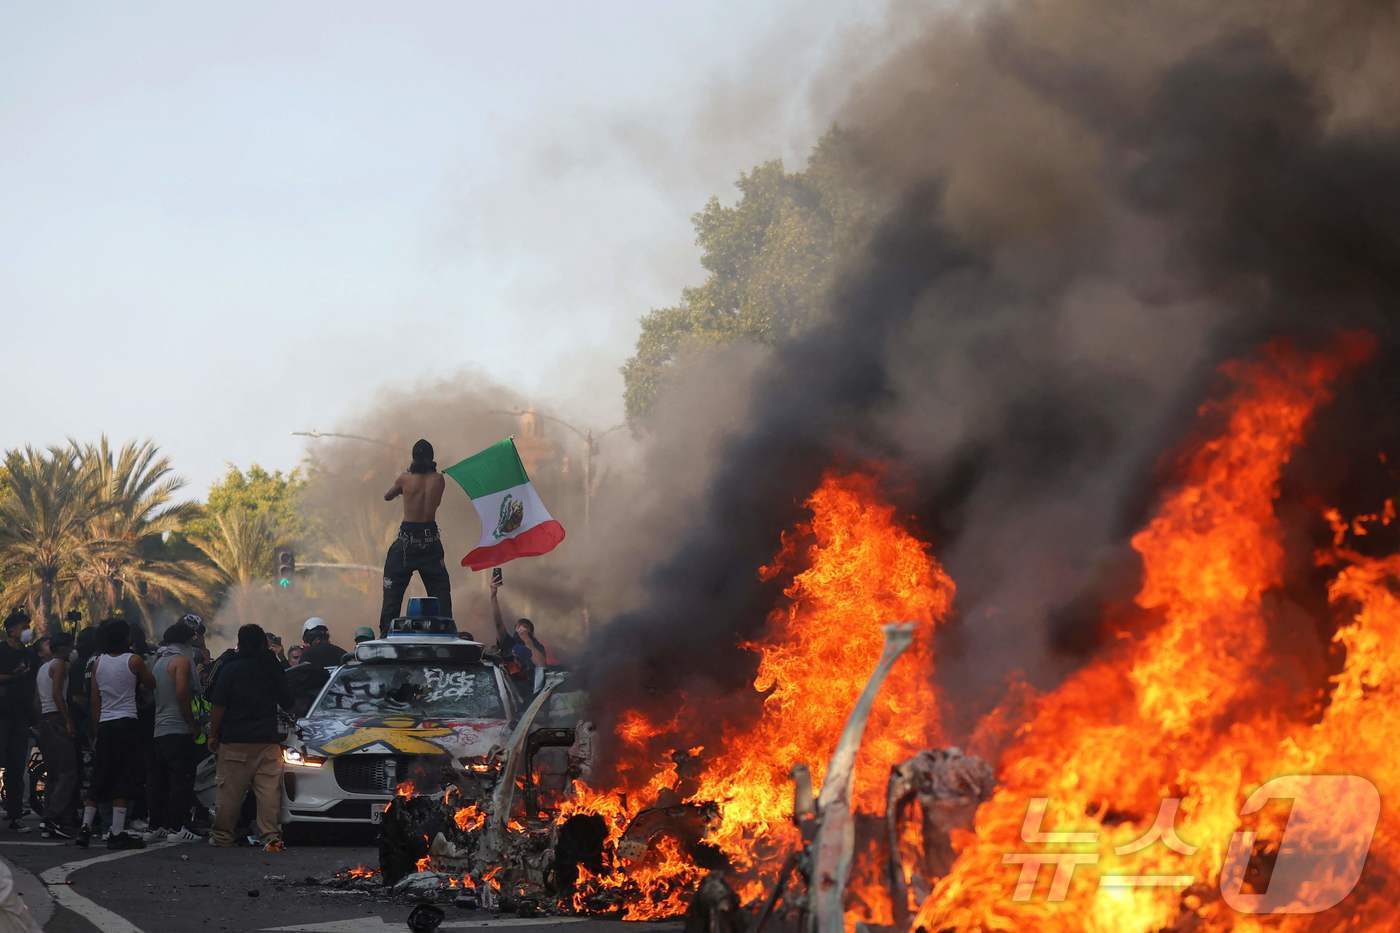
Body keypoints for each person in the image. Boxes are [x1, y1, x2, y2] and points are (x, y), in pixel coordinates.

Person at [207, 623, 290, 851]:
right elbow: (288, 699)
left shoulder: (230, 668)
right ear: (263, 642)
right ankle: (271, 837)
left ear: (240, 642)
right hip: (267, 740)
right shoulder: (271, 667)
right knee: (269, 792)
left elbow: (218, 704)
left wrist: (213, 734)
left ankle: (223, 836)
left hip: (235, 740)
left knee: (229, 792)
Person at [79, 618, 156, 850]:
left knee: (100, 775)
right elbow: (151, 683)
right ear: (126, 638)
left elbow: (95, 701)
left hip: (105, 724)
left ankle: (85, 827)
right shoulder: (134, 661)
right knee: (123, 776)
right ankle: (117, 831)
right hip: (127, 723)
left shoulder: (98, 663)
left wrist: (95, 730)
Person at [379, 439, 452, 634]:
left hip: (406, 542)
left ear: (413, 457)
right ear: (431, 457)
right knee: (441, 594)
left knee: (392, 596)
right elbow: (436, 504)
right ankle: (446, 632)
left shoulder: (404, 479)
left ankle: (386, 634)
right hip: (430, 541)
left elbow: (387, 496)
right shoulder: (439, 479)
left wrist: (403, 487)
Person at [146, 622, 202, 842]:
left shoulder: (158, 662)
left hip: (159, 729)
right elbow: (182, 693)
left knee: (159, 780)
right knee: (182, 780)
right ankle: (178, 827)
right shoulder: (182, 661)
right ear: (186, 642)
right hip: (178, 729)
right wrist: (192, 723)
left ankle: (157, 825)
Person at [35, 632, 79, 839]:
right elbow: (57, 695)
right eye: (70, 646)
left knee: (54, 773)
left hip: (45, 720)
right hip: (56, 720)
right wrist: (68, 720)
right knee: (68, 771)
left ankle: (47, 818)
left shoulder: (43, 667)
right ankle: (55, 817)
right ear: (62, 648)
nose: (72, 650)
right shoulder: (60, 664)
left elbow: (38, 699)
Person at [0, 610, 34, 833]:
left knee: (16, 766)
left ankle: (15, 815)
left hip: (21, 716)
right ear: (11, 630)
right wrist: (15, 676)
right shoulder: (1, 650)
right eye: (23, 626)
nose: (26, 630)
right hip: (2, 714)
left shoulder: (29, 653)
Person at [490, 579, 547, 696]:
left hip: (531, 691)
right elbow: (498, 623)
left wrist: (527, 640)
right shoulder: (509, 643)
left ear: (530, 631)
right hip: (509, 691)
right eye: (519, 626)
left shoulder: (537, 646)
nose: (521, 628)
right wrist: (493, 596)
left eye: (525, 626)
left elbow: (541, 665)